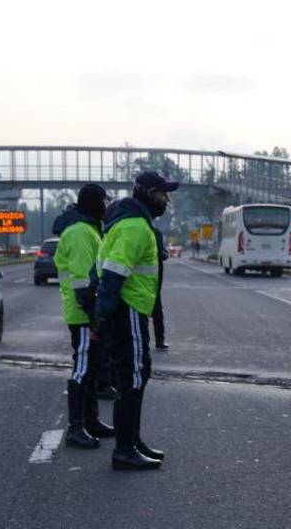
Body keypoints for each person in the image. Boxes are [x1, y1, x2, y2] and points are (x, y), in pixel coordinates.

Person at [95, 171, 177, 471]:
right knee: (131, 376)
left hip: (133, 309)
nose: (165, 200)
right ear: (146, 193)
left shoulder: (134, 222)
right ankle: (124, 450)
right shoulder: (134, 227)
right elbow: (115, 271)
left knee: (139, 372)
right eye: (161, 194)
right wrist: (102, 316)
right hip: (127, 309)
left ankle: (133, 441)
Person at [52, 183, 115, 449]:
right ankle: (75, 428)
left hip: (86, 312)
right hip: (82, 314)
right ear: (93, 203)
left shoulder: (88, 228)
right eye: (104, 201)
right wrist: (93, 317)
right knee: (81, 369)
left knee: (89, 370)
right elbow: (81, 280)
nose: (107, 206)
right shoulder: (80, 232)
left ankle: (91, 421)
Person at [151, 228, 168, 350]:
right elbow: (164, 254)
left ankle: (159, 340)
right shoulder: (156, 232)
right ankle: (159, 340)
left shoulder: (157, 232)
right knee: (157, 310)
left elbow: (164, 254)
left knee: (156, 310)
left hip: (154, 279)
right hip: (151, 280)